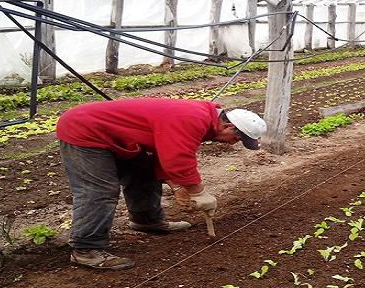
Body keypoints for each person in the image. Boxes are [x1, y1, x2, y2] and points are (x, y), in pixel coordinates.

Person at [55, 98, 266, 270]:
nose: (233, 144)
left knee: (144, 170)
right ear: (229, 126)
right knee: (100, 190)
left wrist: (178, 188)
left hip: (117, 135)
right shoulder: (192, 118)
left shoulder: (204, 119)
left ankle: (146, 220)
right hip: (85, 131)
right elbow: (178, 159)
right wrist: (198, 192)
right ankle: (86, 249)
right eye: (237, 139)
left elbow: (164, 151)